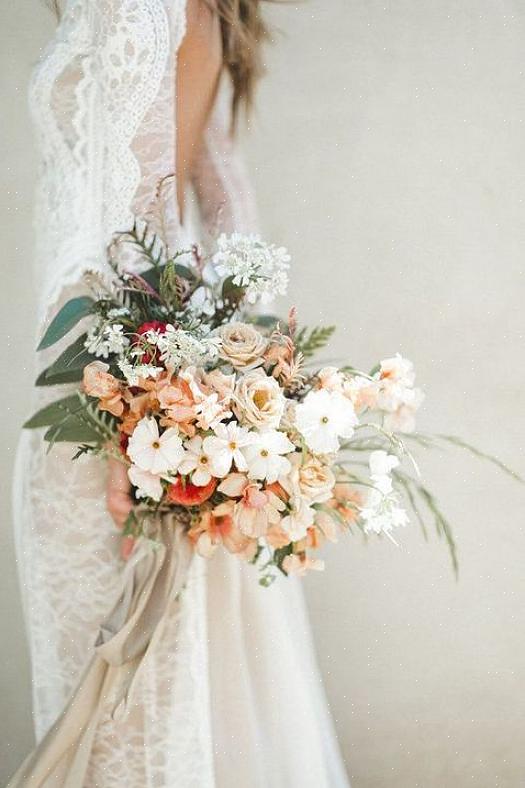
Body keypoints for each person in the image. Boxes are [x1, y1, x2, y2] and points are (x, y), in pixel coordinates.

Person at [12, 1, 350, 785]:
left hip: (103, 397)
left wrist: (143, 419)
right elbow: (223, 185)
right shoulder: (200, 8)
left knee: (126, 672)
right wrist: (236, 360)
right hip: (143, 378)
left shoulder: (137, 5)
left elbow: (137, 217)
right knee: (176, 655)